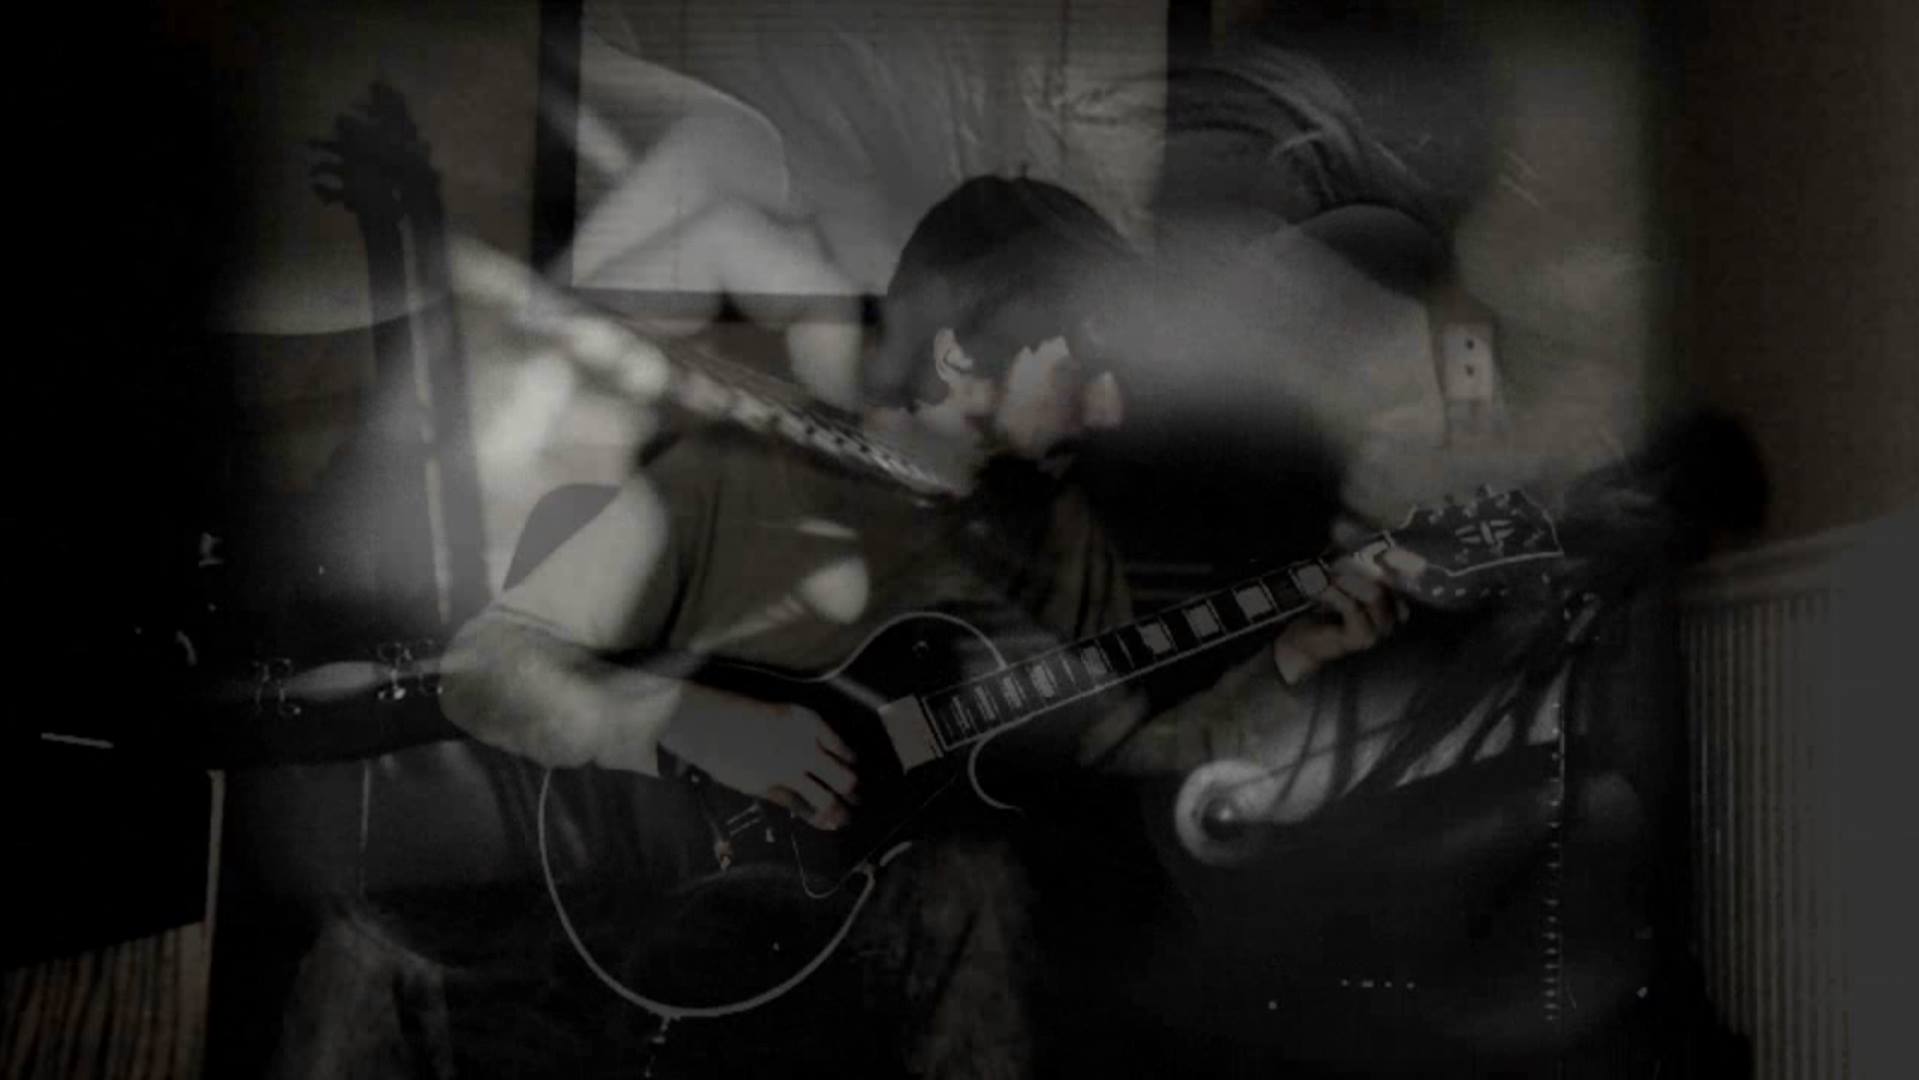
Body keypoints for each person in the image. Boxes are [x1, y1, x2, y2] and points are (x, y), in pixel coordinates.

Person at [438, 174, 1410, 1076]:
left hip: (919, 967)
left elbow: (1119, 750)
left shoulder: (1057, 536)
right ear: (958, 354)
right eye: (1083, 368)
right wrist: (680, 717)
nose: (1111, 408)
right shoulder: (737, 477)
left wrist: (1289, 659)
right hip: (688, 948)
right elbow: (484, 669)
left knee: (1002, 889)